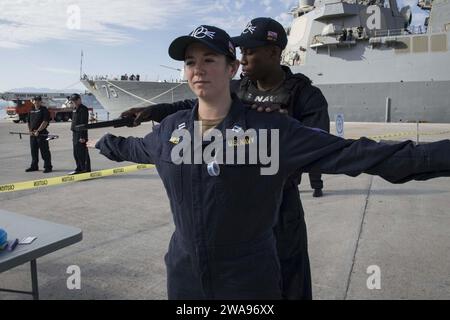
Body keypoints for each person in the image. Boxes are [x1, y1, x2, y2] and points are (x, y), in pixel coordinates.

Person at [90, 25, 450, 300]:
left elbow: (361, 154)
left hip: (248, 283)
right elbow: (137, 150)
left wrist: (439, 154)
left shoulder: (271, 130)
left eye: (210, 59)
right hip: (185, 279)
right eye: (190, 61)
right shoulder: (171, 130)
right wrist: (103, 142)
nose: (198, 69)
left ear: (232, 68)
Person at [120, 17, 328, 300]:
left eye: (250, 51)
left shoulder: (305, 95)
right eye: (240, 52)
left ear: (274, 52)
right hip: (240, 206)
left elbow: (318, 148)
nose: (243, 59)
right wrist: (154, 111)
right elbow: (190, 105)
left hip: (280, 203)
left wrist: (277, 131)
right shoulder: (238, 88)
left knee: (291, 277)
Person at [25, 95, 52, 173]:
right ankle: (34, 166)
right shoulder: (31, 110)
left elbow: (45, 122)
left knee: (44, 151)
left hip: (42, 134)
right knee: (33, 151)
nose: (36, 102)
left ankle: (48, 167)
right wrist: (30, 130)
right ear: (33, 101)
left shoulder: (44, 110)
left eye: (37, 100)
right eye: (34, 100)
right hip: (33, 135)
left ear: (40, 101)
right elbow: (29, 122)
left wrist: (38, 131)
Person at [69, 93, 91, 174]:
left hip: (81, 133)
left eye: (75, 100)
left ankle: (85, 169)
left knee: (82, 152)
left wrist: (82, 136)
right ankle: (79, 167)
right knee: (76, 152)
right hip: (75, 133)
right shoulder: (75, 109)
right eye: (72, 101)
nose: (73, 102)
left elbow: (83, 123)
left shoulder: (83, 109)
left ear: (79, 99)